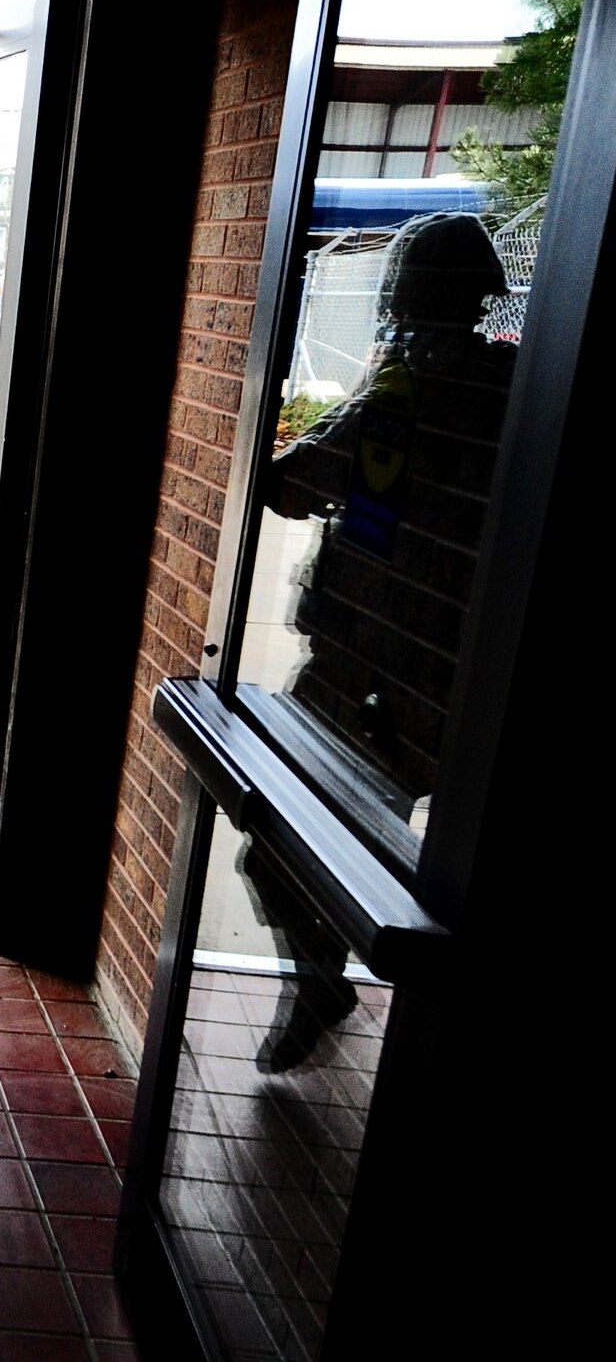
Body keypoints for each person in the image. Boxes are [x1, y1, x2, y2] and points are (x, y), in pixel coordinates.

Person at [243, 211, 517, 1072]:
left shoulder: (406, 391)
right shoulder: (514, 384)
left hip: (370, 669)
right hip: (452, 673)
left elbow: (290, 487)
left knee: (285, 842)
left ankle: (320, 979)